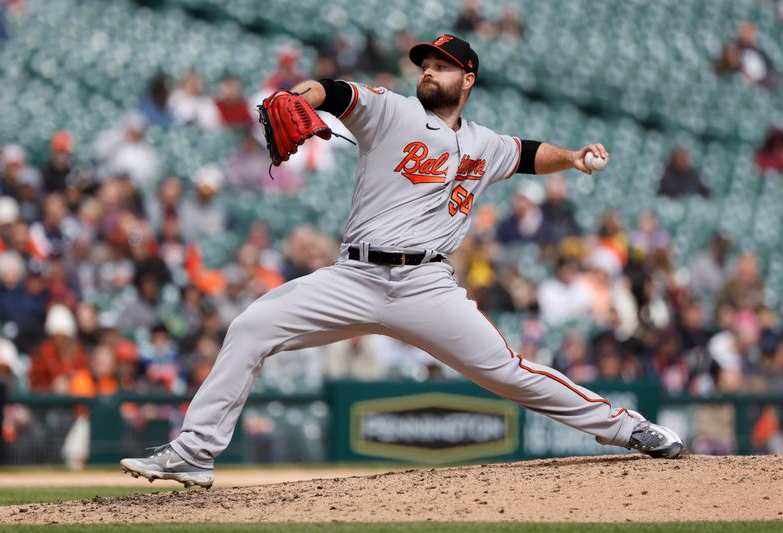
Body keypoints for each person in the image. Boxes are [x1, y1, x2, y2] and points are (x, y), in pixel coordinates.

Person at [121, 34, 683, 488]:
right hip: (355, 276)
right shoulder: (392, 112)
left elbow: (531, 154)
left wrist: (576, 158)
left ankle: (628, 428)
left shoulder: (485, 144)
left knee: (513, 373)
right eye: (425, 64)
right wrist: (301, 96)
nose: (428, 72)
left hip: (427, 287)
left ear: (467, 79)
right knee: (250, 327)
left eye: (441, 65)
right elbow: (335, 92)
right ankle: (195, 453)